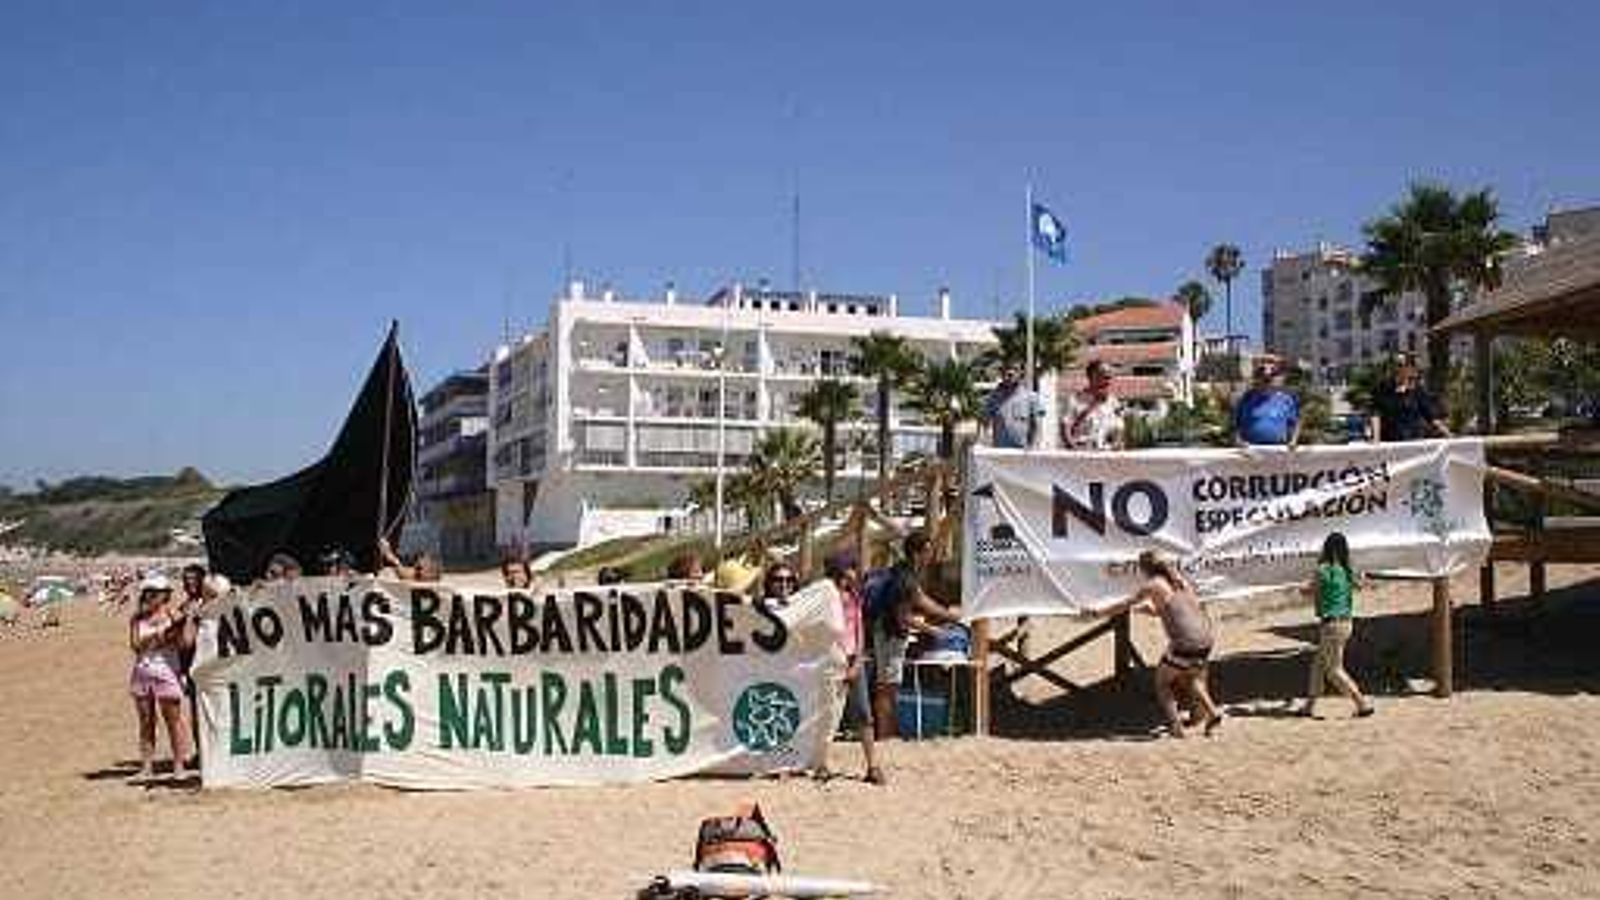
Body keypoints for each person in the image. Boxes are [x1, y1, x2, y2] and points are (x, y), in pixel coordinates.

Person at [867, 532, 962, 739]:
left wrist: (950, 616)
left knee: (889, 685)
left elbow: (921, 599)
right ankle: (884, 736)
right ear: (919, 553)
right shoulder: (905, 578)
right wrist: (934, 631)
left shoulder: (905, 572)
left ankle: (886, 733)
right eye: (929, 551)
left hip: (889, 633)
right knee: (887, 687)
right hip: (889, 634)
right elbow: (904, 618)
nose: (932, 556)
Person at [1125, 551, 1222, 738]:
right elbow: (1182, 610)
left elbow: (1126, 603)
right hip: (1206, 638)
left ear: (1144, 569)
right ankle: (1212, 712)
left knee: (1162, 682)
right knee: (1194, 679)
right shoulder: (1181, 581)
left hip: (1185, 643)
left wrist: (1098, 612)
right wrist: (1153, 611)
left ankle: (1176, 725)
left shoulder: (1153, 585)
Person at [823, 551, 885, 784]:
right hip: (831, 659)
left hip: (850, 658)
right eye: (851, 568)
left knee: (863, 713)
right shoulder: (827, 597)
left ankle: (872, 765)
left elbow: (859, 631)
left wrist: (857, 661)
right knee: (826, 714)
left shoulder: (854, 596)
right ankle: (821, 762)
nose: (854, 572)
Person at [1299, 533, 1376, 719]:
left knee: (1334, 670)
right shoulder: (1346, 570)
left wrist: (1301, 587)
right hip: (1346, 623)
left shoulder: (1322, 570)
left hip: (1331, 625)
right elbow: (1360, 584)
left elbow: (1306, 592)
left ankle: (1361, 703)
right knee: (1318, 665)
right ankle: (1309, 706)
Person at [127, 574, 194, 782]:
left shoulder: (174, 615)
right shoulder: (137, 618)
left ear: (165, 595)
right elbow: (135, 646)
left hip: (166, 672)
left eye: (154, 593)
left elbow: (184, 643)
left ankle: (178, 765)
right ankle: (147, 767)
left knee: (173, 722)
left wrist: (169, 635)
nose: (149, 597)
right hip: (142, 672)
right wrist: (156, 638)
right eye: (147, 593)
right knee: (146, 722)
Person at [1370, 353, 1451, 442]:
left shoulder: (1417, 390)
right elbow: (1375, 414)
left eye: (1402, 365)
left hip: (1413, 442)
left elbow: (1431, 416)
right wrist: (1376, 439)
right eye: (1397, 365)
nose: (1398, 369)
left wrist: (1449, 435)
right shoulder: (1382, 389)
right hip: (1391, 442)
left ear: (1409, 369)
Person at [1233, 358, 1301, 446]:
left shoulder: (1286, 400)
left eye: (1271, 377)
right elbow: (1236, 424)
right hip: (1251, 451)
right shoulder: (1247, 398)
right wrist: (1238, 441)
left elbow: (1295, 423)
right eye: (1263, 377)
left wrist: (1293, 441)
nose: (1267, 381)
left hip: (1278, 449)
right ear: (1257, 378)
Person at [1061, 360, 1126, 450]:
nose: (1107, 380)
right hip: (1082, 454)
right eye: (1103, 376)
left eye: (1109, 377)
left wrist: (1115, 446)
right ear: (1091, 377)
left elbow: (1119, 432)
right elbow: (1065, 430)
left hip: (1106, 455)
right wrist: (1075, 450)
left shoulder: (1114, 403)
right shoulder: (1075, 400)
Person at [981, 361, 1044, 450]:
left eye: (1015, 369)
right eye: (1007, 369)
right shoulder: (992, 398)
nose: (1010, 373)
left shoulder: (1032, 398)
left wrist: (1033, 447)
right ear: (1001, 372)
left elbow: (1037, 426)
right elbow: (985, 424)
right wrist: (985, 446)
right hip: (999, 454)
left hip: (1023, 454)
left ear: (1021, 373)